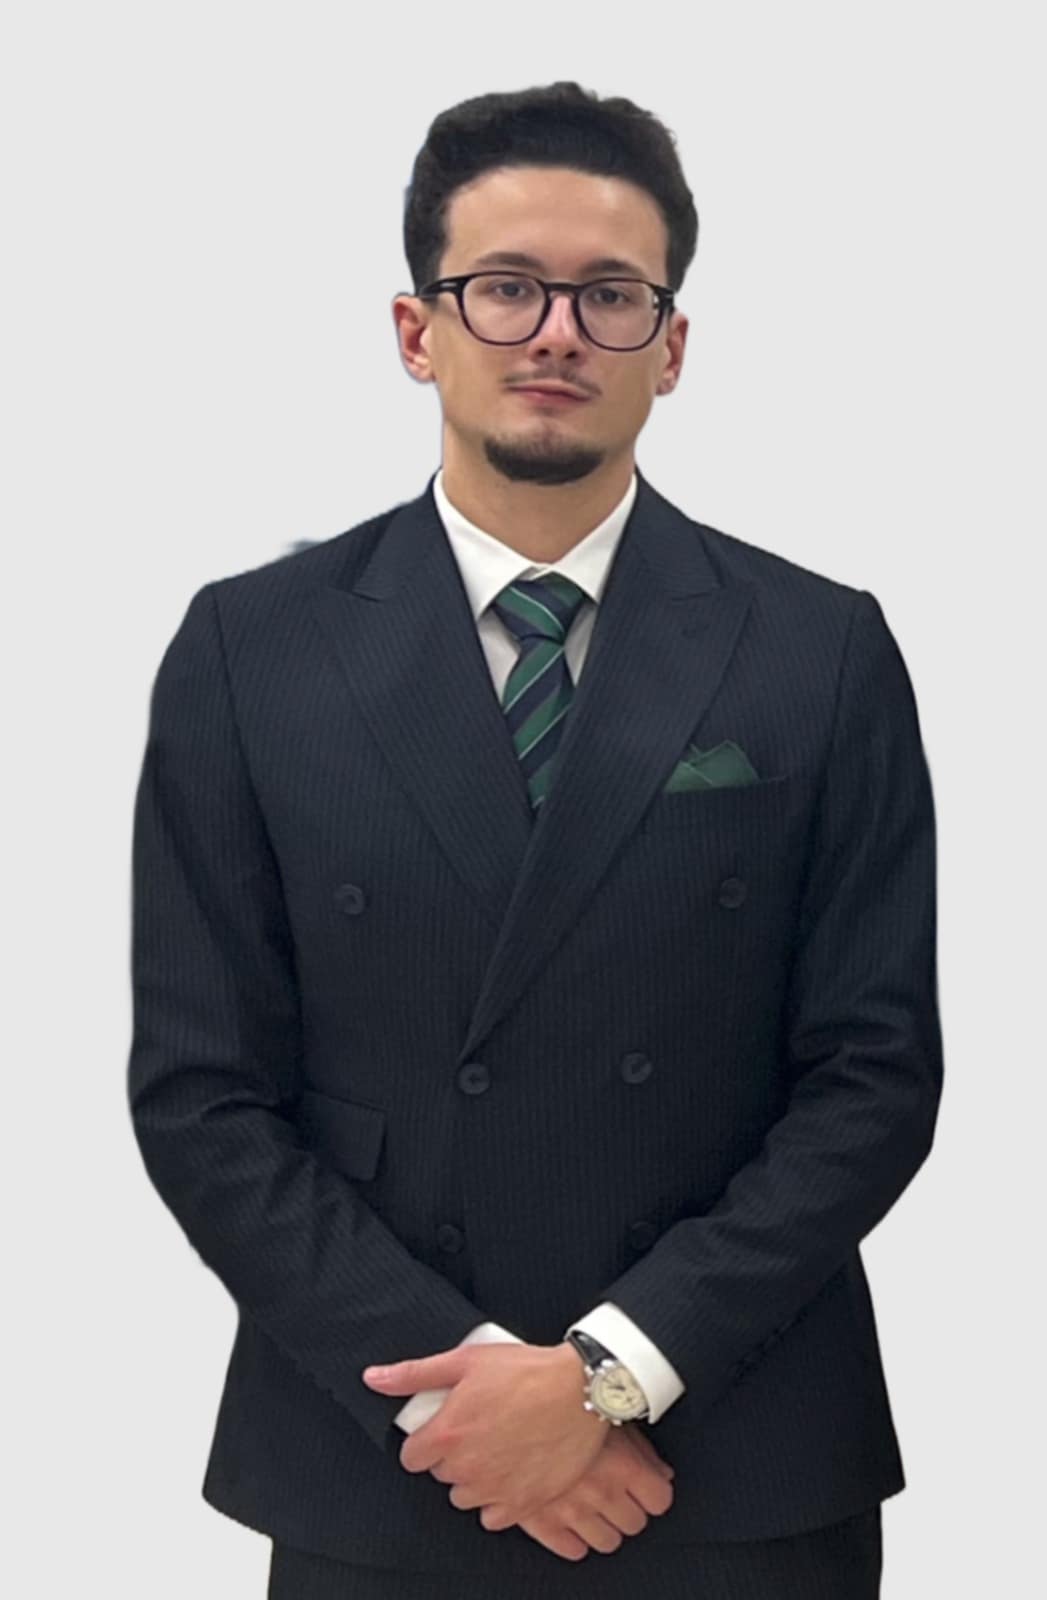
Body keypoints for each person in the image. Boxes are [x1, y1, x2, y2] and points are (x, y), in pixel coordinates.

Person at [127, 80, 942, 1599]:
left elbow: (874, 1075)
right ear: (416, 330)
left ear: (671, 346)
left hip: (735, 1454)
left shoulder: (819, 649)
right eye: (504, 288)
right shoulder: (253, 651)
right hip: (385, 1456)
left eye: (611, 296)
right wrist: (460, 1401)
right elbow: (204, 1094)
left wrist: (610, 1376)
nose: (556, 332)